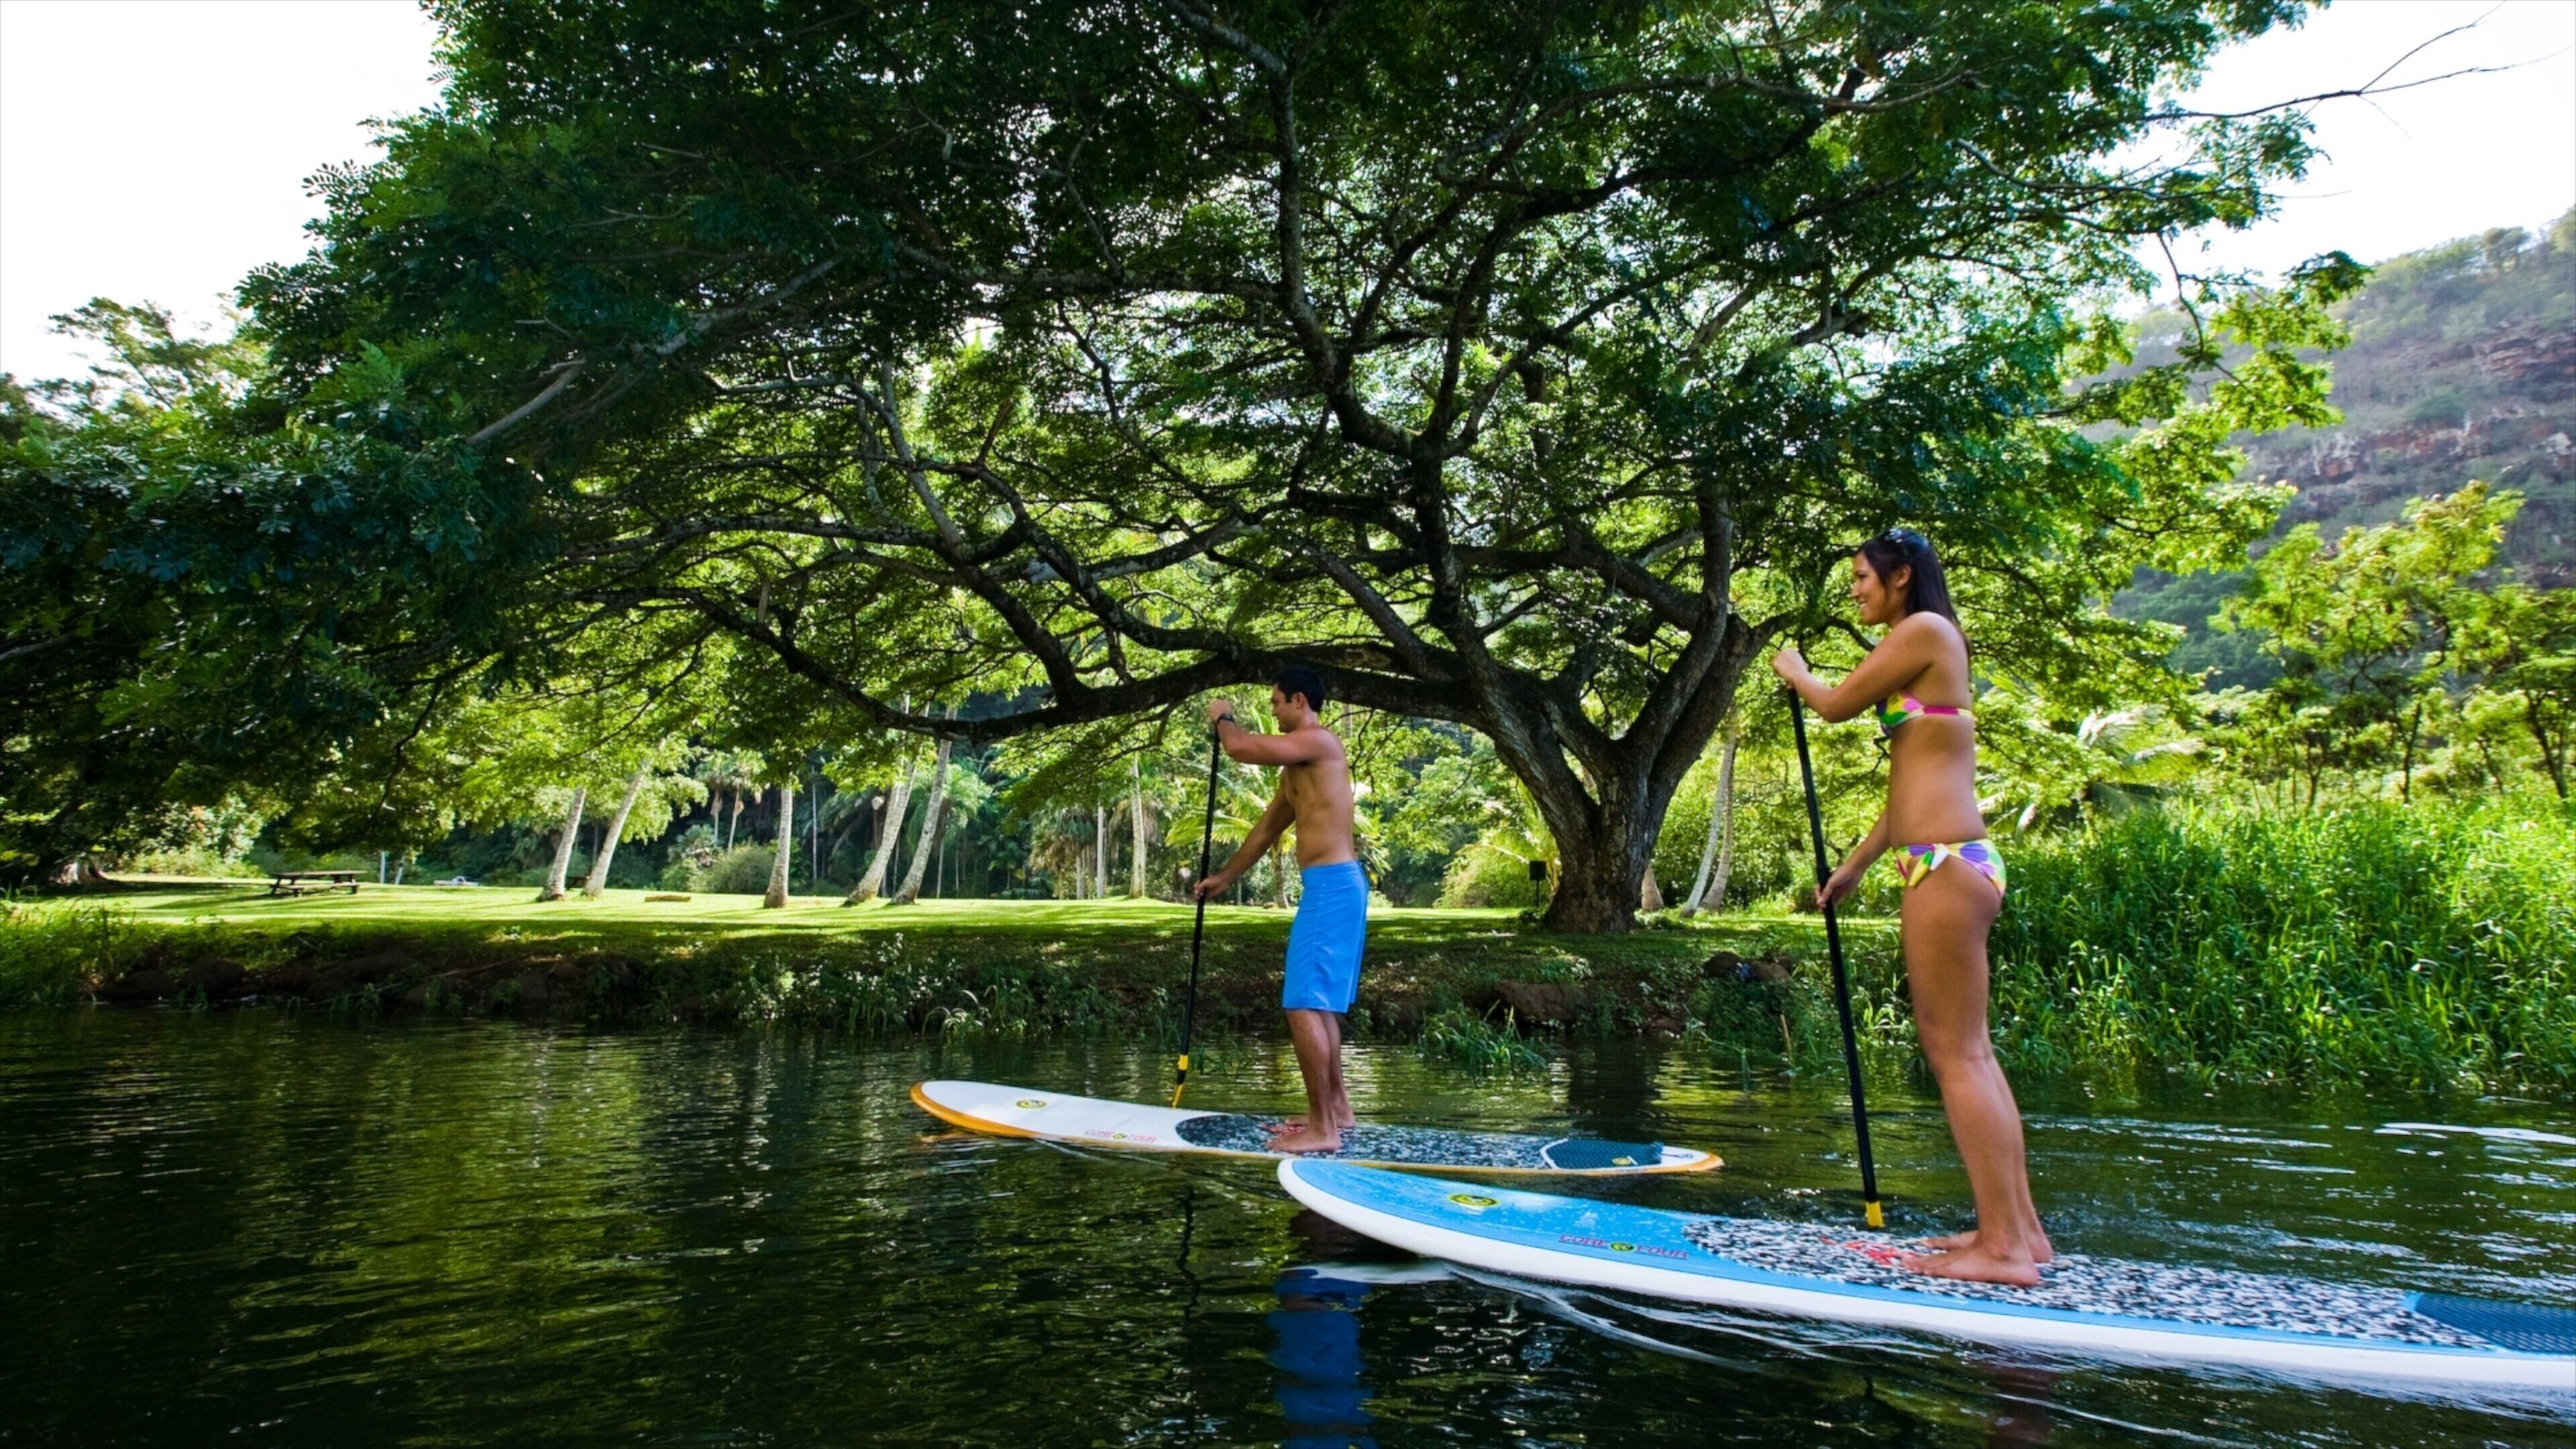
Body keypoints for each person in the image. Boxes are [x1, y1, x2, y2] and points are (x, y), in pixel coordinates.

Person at [1770, 528, 2053, 1287]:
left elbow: (1832, 706)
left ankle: (2003, 1252)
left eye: (1862, 577)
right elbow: (1909, 793)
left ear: (1900, 576)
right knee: (1974, 1054)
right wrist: (1855, 867)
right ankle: (2019, 1232)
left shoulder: (1924, 630)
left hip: (1946, 868)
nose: (1855, 590)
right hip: (1944, 858)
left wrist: (1795, 670)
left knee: (1955, 1055)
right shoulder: (1928, 647)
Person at [1195, 665, 1366, 1154]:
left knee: (1301, 1004)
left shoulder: (1320, 742)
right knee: (1320, 1005)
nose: (1271, 709)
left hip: (1333, 888)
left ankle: (1323, 1131)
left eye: (1275, 701)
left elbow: (1240, 748)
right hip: (1332, 887)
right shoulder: (1300, 766)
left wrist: (1223, 718)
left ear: (1298, 700)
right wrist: (1225, 878)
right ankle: (1337, 1112)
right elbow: (1267, 829)